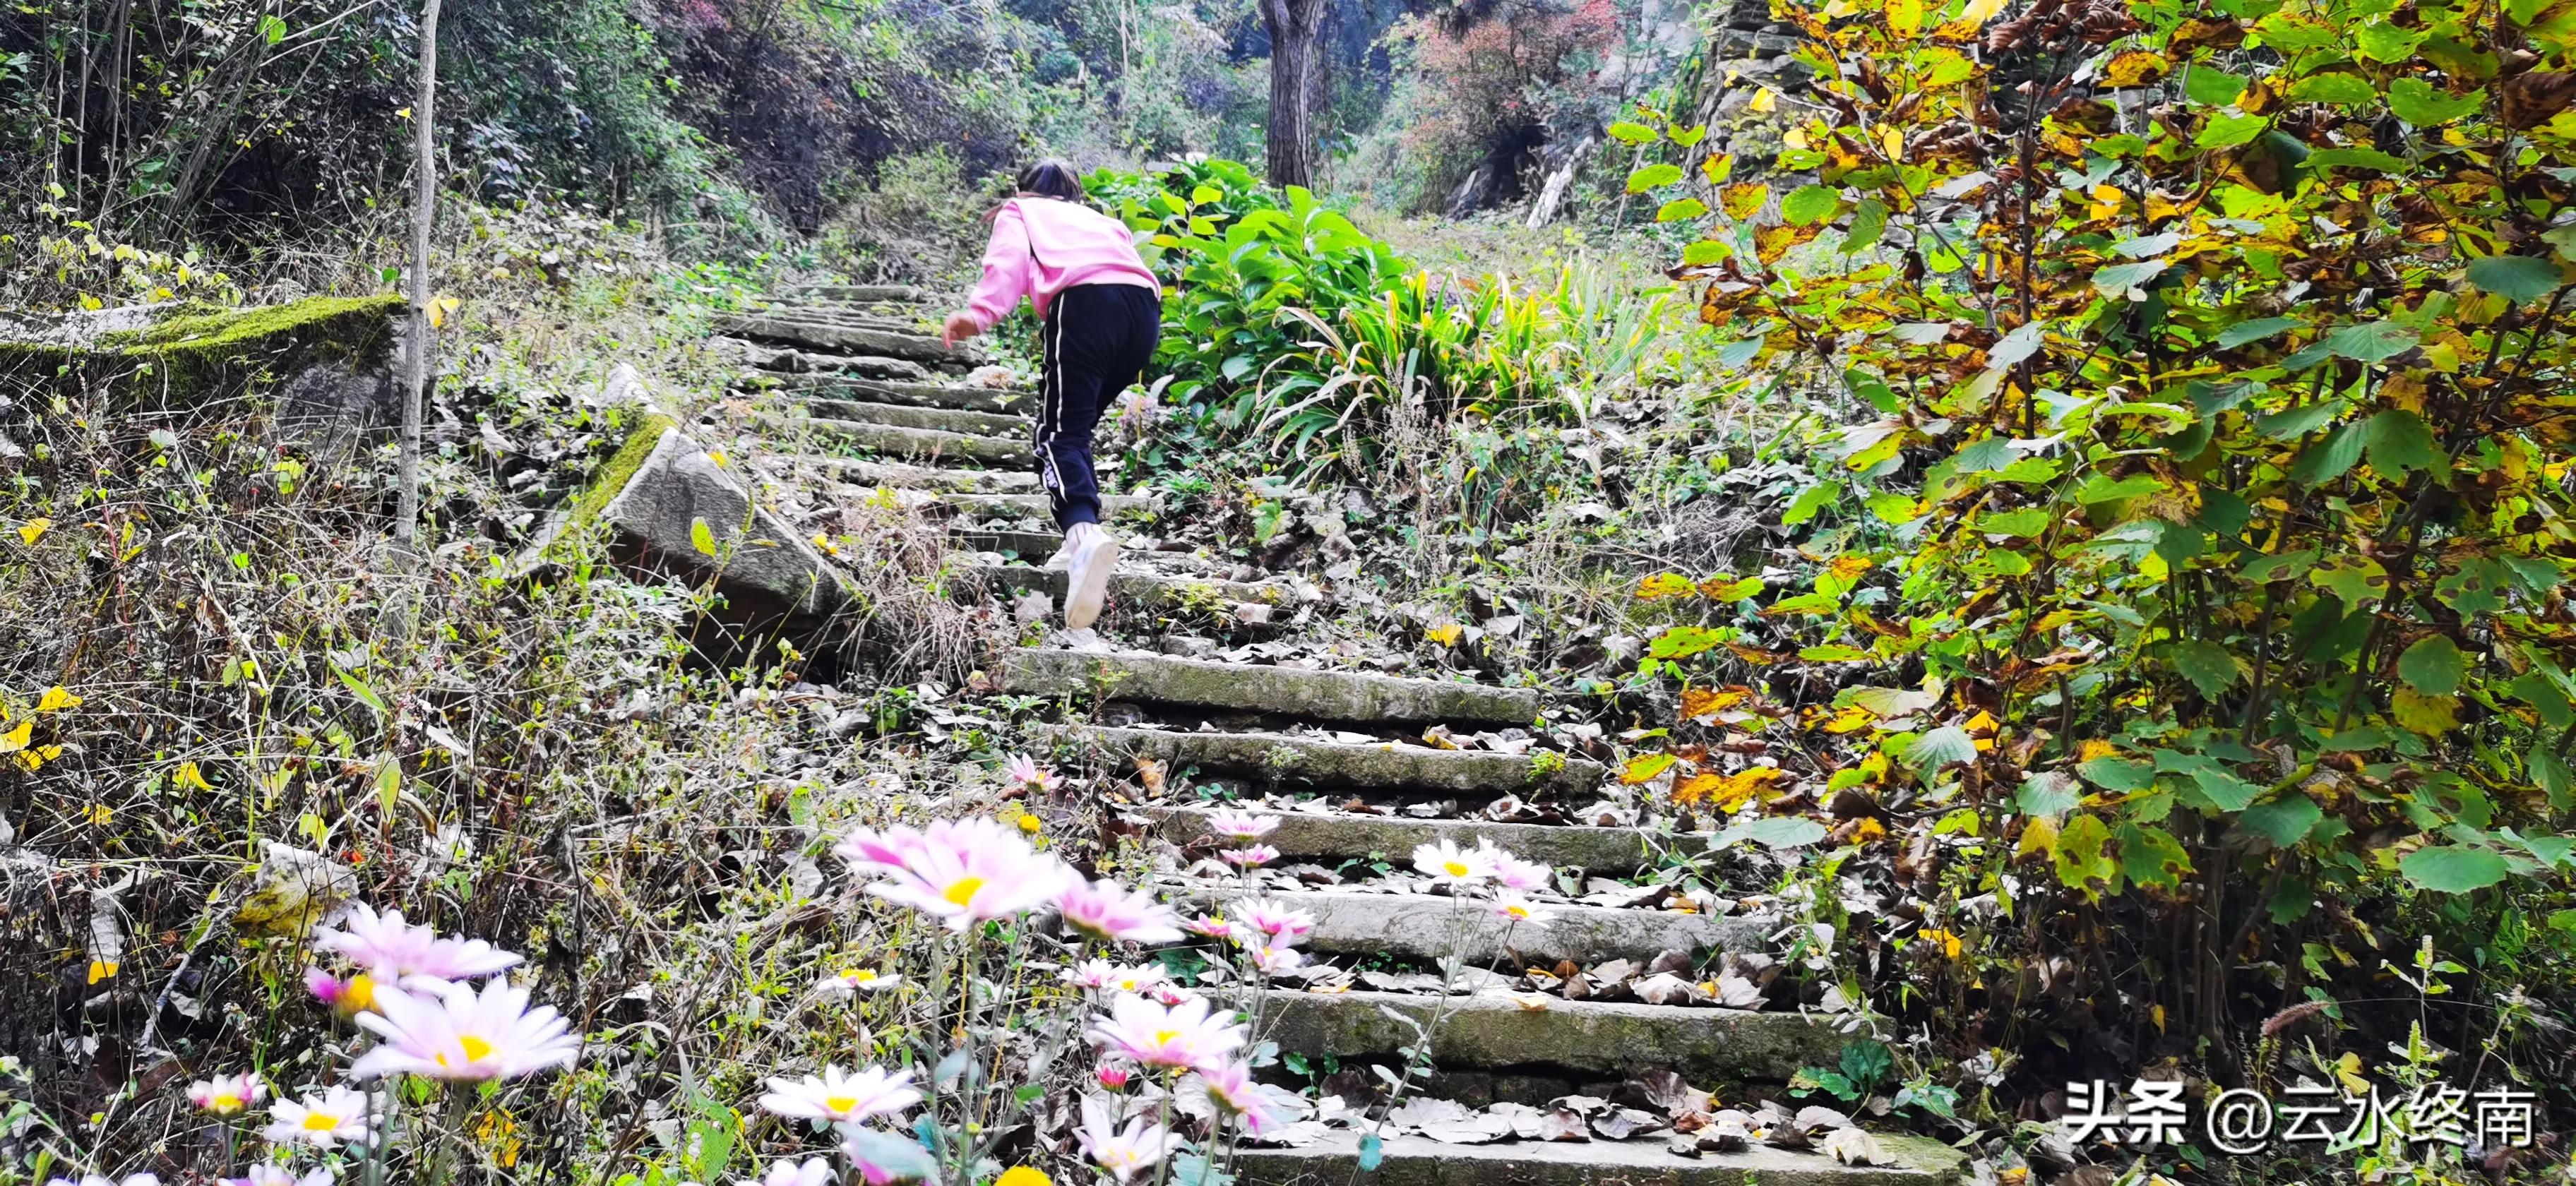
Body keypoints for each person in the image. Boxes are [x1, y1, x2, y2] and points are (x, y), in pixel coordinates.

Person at [940, 160, 1163, 632]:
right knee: (1075, 429)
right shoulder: (1099, 219)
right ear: (1073, 192)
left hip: (1086, 303)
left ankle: (1083, 538)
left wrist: (978, 316)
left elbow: (1007, 265)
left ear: (1022, 189)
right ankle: (1073, 540)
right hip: (1144, 313)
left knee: (1058, 435)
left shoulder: (1021, 211)